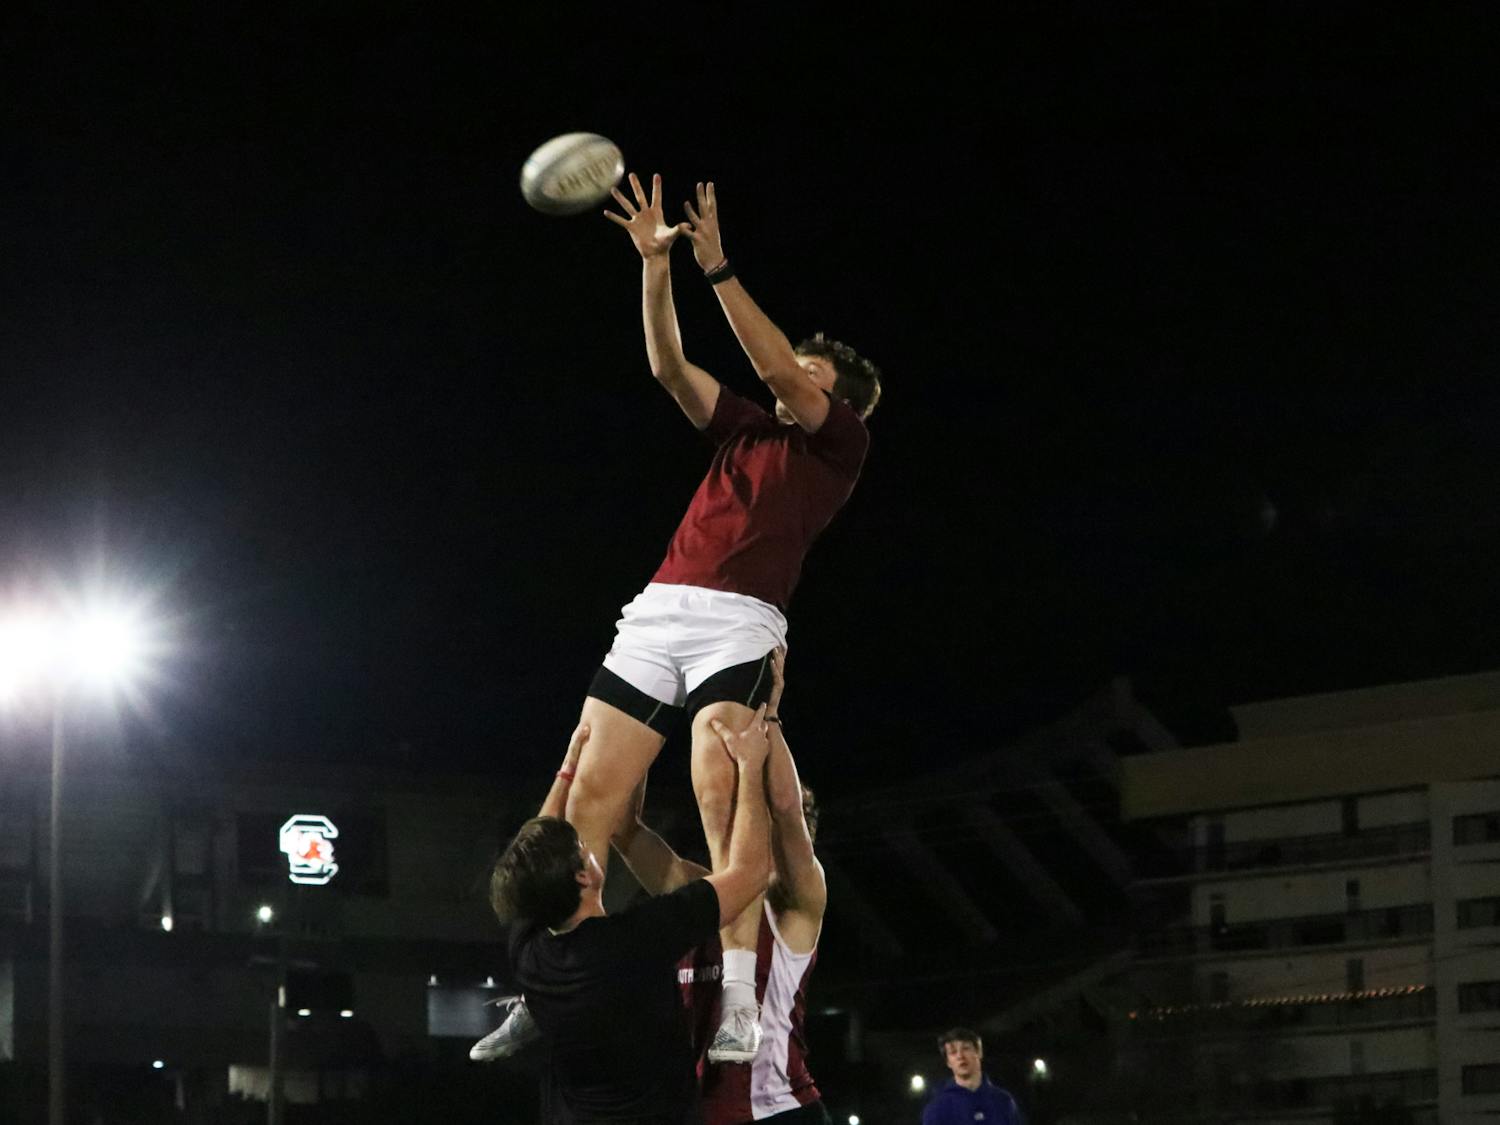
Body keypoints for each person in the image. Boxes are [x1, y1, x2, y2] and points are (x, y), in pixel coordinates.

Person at [559, 172, 880, 1061]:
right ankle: (555, 976)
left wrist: (721, 267)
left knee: (715, 784)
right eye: (796, 370)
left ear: (839, 400)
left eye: (811, 375)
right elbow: (668, 367)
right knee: (590, 798)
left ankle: (740, 998)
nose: (788, 376)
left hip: (743, 621)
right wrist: (657, 266)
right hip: (661, 608)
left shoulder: (839, 443)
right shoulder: (745, 429)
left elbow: (776, 362)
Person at [479, 710, 773, 1123]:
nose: (588, 842)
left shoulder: (530, 951)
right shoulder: (635, 940)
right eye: (582, 845)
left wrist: (568, 772)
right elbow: (751, 873)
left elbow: (537, 848)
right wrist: (750, 765)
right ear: (585, 875)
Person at [613, 650, 830, 1125]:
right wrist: (639, 726)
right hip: (697, 1113)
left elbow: (788, 809)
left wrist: (768, 715)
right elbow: (624, 830)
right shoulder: (701, 892)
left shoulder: (796, 899)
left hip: (780, 1112)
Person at [921, 1029, 1023, 1125]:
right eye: (953, 1052)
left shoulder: (1003, 1101)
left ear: (979, 1052)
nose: (960, 1056)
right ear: (948, 1062)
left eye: (965, 1048)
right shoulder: (937, 1109)